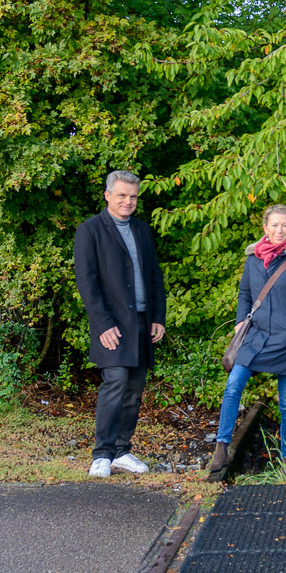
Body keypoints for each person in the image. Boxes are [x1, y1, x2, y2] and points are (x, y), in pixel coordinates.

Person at [209, 205, 286, 475]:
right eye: (274, 225)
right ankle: (222, 447)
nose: (279, 230)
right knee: (233, 385)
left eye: (284, 225)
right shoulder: (253, 259)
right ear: (265, 227)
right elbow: (245, 294)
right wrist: (240, 322)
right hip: (256, 336)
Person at [74, 170, 167, 479]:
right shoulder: (90, 230)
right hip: (112, 324)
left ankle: (122, 451)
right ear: (108, 195)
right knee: (115, 382)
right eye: (122, 195)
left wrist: (158, 317)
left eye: (133, 196)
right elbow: (87, 282)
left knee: (134, 389)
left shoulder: (142, 230)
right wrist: (102, 324)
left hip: (142, 321)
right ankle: (102, 455)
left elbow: (155, 275)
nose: (128, 201)